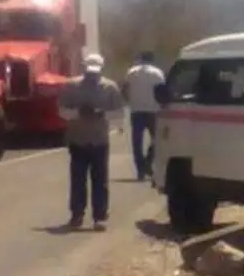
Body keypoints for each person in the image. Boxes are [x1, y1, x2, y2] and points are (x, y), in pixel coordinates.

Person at [57, 53, 125, 231]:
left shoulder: (110, 88)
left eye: (95, 73)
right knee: (78, 179)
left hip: (99, 140)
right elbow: (62, 111)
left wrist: (101, 113)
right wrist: (79, 112)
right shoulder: (72, 86)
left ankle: (100, 216)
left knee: (100, 180)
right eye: (89, 72)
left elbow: (118, 113)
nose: (91, 76)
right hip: (78, 139)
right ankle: (77, 215)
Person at [123, 51, 166, 182]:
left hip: (136, 110)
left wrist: (129, 102)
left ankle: (140, 170)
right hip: (153, 110)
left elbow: (125, 89)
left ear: (141, 59)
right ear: (152, 60)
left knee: (137, 142)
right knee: (157, 140)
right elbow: (162, 91)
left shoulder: (131, 72)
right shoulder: (158, 73)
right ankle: (148, 162)